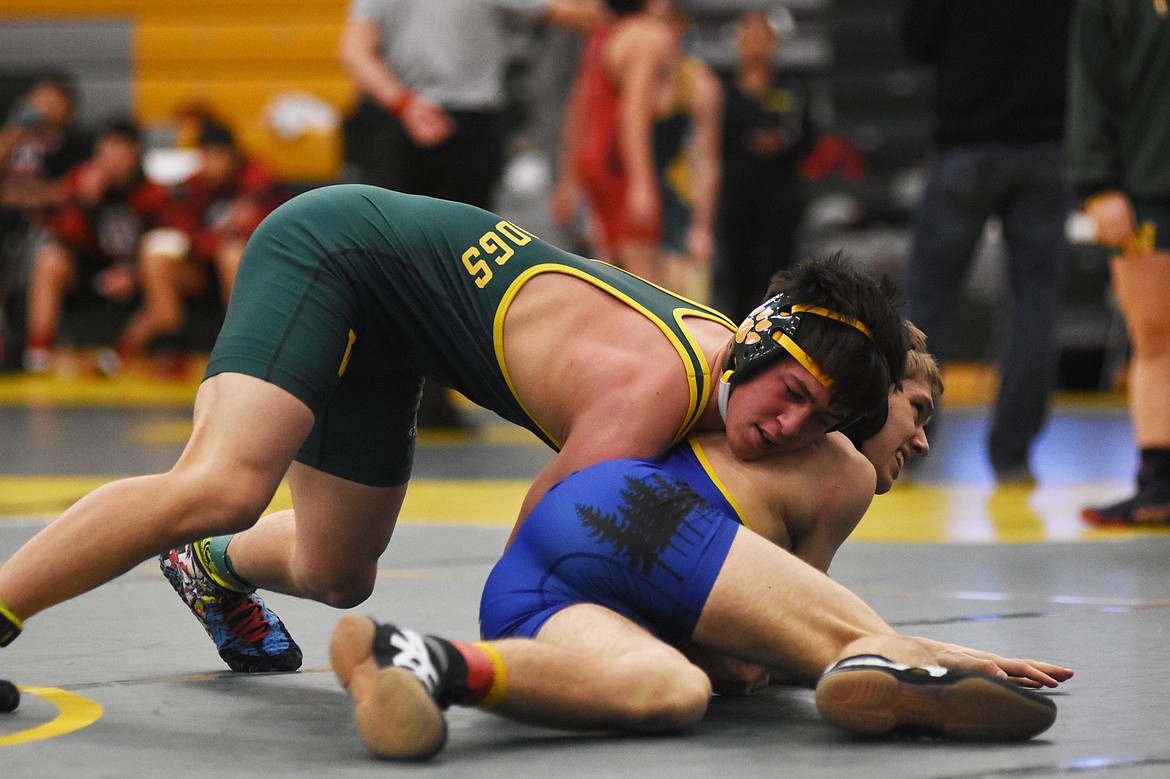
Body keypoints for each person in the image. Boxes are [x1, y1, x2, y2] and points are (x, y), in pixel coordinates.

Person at [0, 185, 906, 673]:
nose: (784, 426)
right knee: (221, 485)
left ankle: (208, 567)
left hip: (398, 334)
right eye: (787, 392)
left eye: (815, 420)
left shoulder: (741, 377)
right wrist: (538, 670)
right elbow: (537, 547)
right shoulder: (656, 385)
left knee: (336, 571)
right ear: (753, 345)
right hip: (334, 254)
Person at [328, 328, 1073, 759]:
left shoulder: (743, 422)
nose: (921, 438)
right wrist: (944, 653)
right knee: (851, 648)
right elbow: (766, 655)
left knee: (670, 688)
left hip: (537, 585)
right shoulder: (838, 467)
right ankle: (918, 671)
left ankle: (423, 660)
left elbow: (749, 649)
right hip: (633, 524)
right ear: (872, 392)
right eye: (917, 409)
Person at [337, 0, 604, 426]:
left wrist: (404, 104)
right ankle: (428, 394)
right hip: (459, 124)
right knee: (458, 269)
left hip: (404, 120)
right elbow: (578, 13)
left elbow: (353, 51)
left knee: (393, 266)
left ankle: (388, 395)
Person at [899, 0, 1074, 484]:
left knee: (928, 303)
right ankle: (1013, 455)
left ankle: (908, 443)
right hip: (1046, 144)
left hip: (965, 142)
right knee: (1035, 307)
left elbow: (917, 39)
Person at [1069, 0, 1170, 526]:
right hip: (1151, 191)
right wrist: (1097, 183)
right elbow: (1091, 82)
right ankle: (1160, 483)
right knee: (1155, 338)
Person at [21, 119, 194, 374]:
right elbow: (61, 234)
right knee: (50, 257)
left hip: (138, 274)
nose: (109, 159)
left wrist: (133, 274)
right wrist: (84, 202)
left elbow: (172, 242)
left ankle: (116, 357)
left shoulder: (153, 193)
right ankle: (38, 353)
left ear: (135, 153)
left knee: (155, 262)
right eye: (104, 152)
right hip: (91, 268)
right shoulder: (80, 182)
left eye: (117, 151)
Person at [114, 119, 284, 373]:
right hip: (203, 276)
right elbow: (184, 233)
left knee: (232, 253)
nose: (211, 164)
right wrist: (213, 238)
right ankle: (168, 348)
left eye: (218, 155)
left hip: (250, 278)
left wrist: (218, 239)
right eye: (205, 155)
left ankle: (241, 348)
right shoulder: (194, 186)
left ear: (233, 155)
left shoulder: (256, 180)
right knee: (155, 254)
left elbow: (268, 233)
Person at [550, 0, 680, 285]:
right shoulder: (648, 35)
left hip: (595, 160)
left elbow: (578, 108)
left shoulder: (601, 32)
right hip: (618, 165)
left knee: (610, 276)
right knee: (644, 284)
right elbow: (633, 112)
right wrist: (641, 183)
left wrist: (569, 178)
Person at [714, 7, 816, 321]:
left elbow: (808, 136)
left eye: (762, 36)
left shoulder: (791, 89)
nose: (755, 44)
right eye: (749, 35)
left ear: (774, 41)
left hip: (779, 197)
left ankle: (778, 336)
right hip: (735, 195)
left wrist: (783, 141)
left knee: (780, 273)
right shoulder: (721, 93)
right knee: (737, 275)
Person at [0, 72, 91, 368]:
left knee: (47, 257)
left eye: (53, 99)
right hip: (6, 225)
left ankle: (38, 351)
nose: (44, 105)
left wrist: (25, 194)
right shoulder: (12, 134)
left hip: (49, 230)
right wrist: (16, 130)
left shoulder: (76, 142)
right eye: (40, 97)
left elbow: (70, 189)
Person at [653, 3, 722, 302]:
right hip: (629, 202)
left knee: (679, 292)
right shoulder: (620, 73)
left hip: (675, 202)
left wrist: (701, 227)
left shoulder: (698, 84)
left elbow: (707, 160)